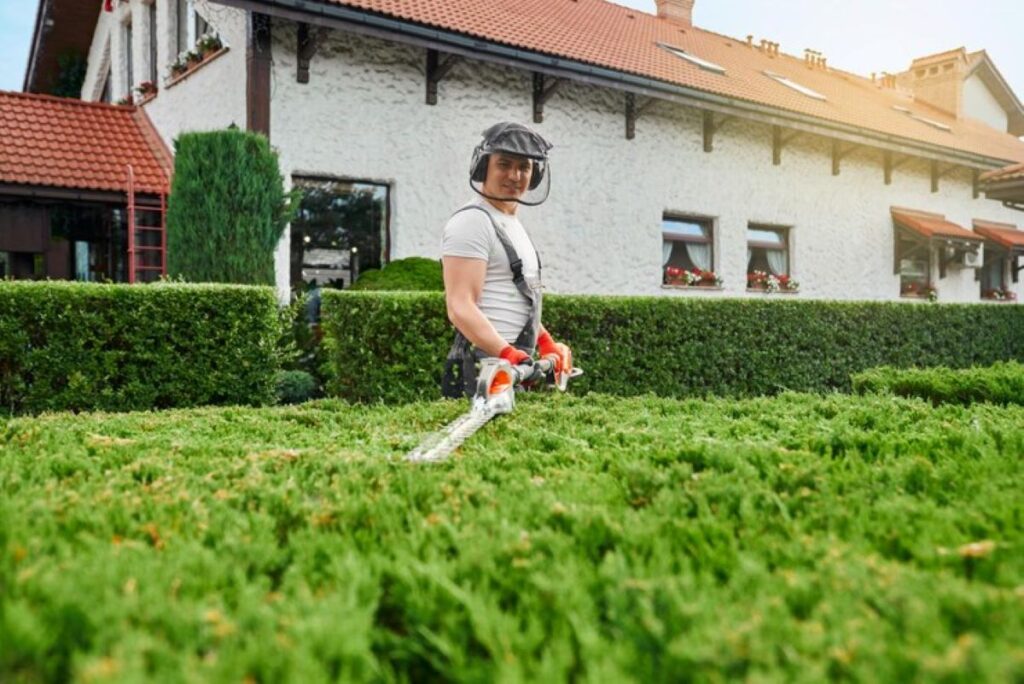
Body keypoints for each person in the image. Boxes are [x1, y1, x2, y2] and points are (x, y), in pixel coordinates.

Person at [440, 122, 572, 399]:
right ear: (483, 167)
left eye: (524, 167)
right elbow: (459, 306)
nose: (515, 175)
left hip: (512, 368)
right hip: (481, 369)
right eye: (504, 164)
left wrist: (546, 344)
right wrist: (508, 353)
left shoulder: (511, 223)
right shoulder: (473, 221)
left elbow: (518, 300)